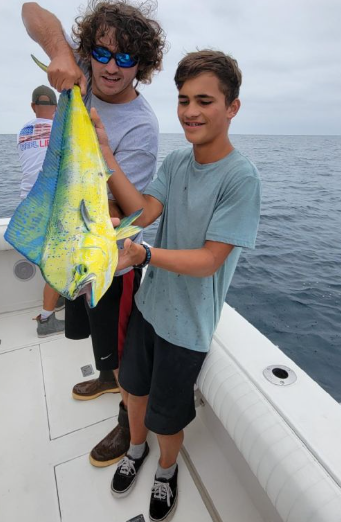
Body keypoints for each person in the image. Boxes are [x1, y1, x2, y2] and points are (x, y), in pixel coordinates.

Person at [92, 50, 261, 521]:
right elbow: (143, 212)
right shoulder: (176, 162)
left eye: (204, 100)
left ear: (232, 107)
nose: (190, 111)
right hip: (150, 306)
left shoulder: (241, 179)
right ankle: (136, 450)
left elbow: (210, 260)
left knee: (168, 417)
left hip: (186, 328)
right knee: (132, 389)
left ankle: (166, 470)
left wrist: (144, 253)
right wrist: (106, 156)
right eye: (184, 99)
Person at [22, 0, 166, 465]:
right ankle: (106, 377)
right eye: (101, 53)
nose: (110, 66)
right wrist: (61, 55)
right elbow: (31, 10)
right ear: (89, 51)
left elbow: (134, 211)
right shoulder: (81, 69)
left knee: (123, 349)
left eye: (126, 58)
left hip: (111, 260)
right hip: (70, 242)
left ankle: (128, 423)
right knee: (92, 336)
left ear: (140, 66)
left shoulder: (142, 126)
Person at [17, 85, 64, 337]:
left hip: (27, 203)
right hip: (50, 205)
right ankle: (46, 319)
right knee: (56, 260)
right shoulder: (60, 129)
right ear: (57, 108)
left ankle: (56, 299)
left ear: (33, 106)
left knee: (48, 257)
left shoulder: (22, 131)